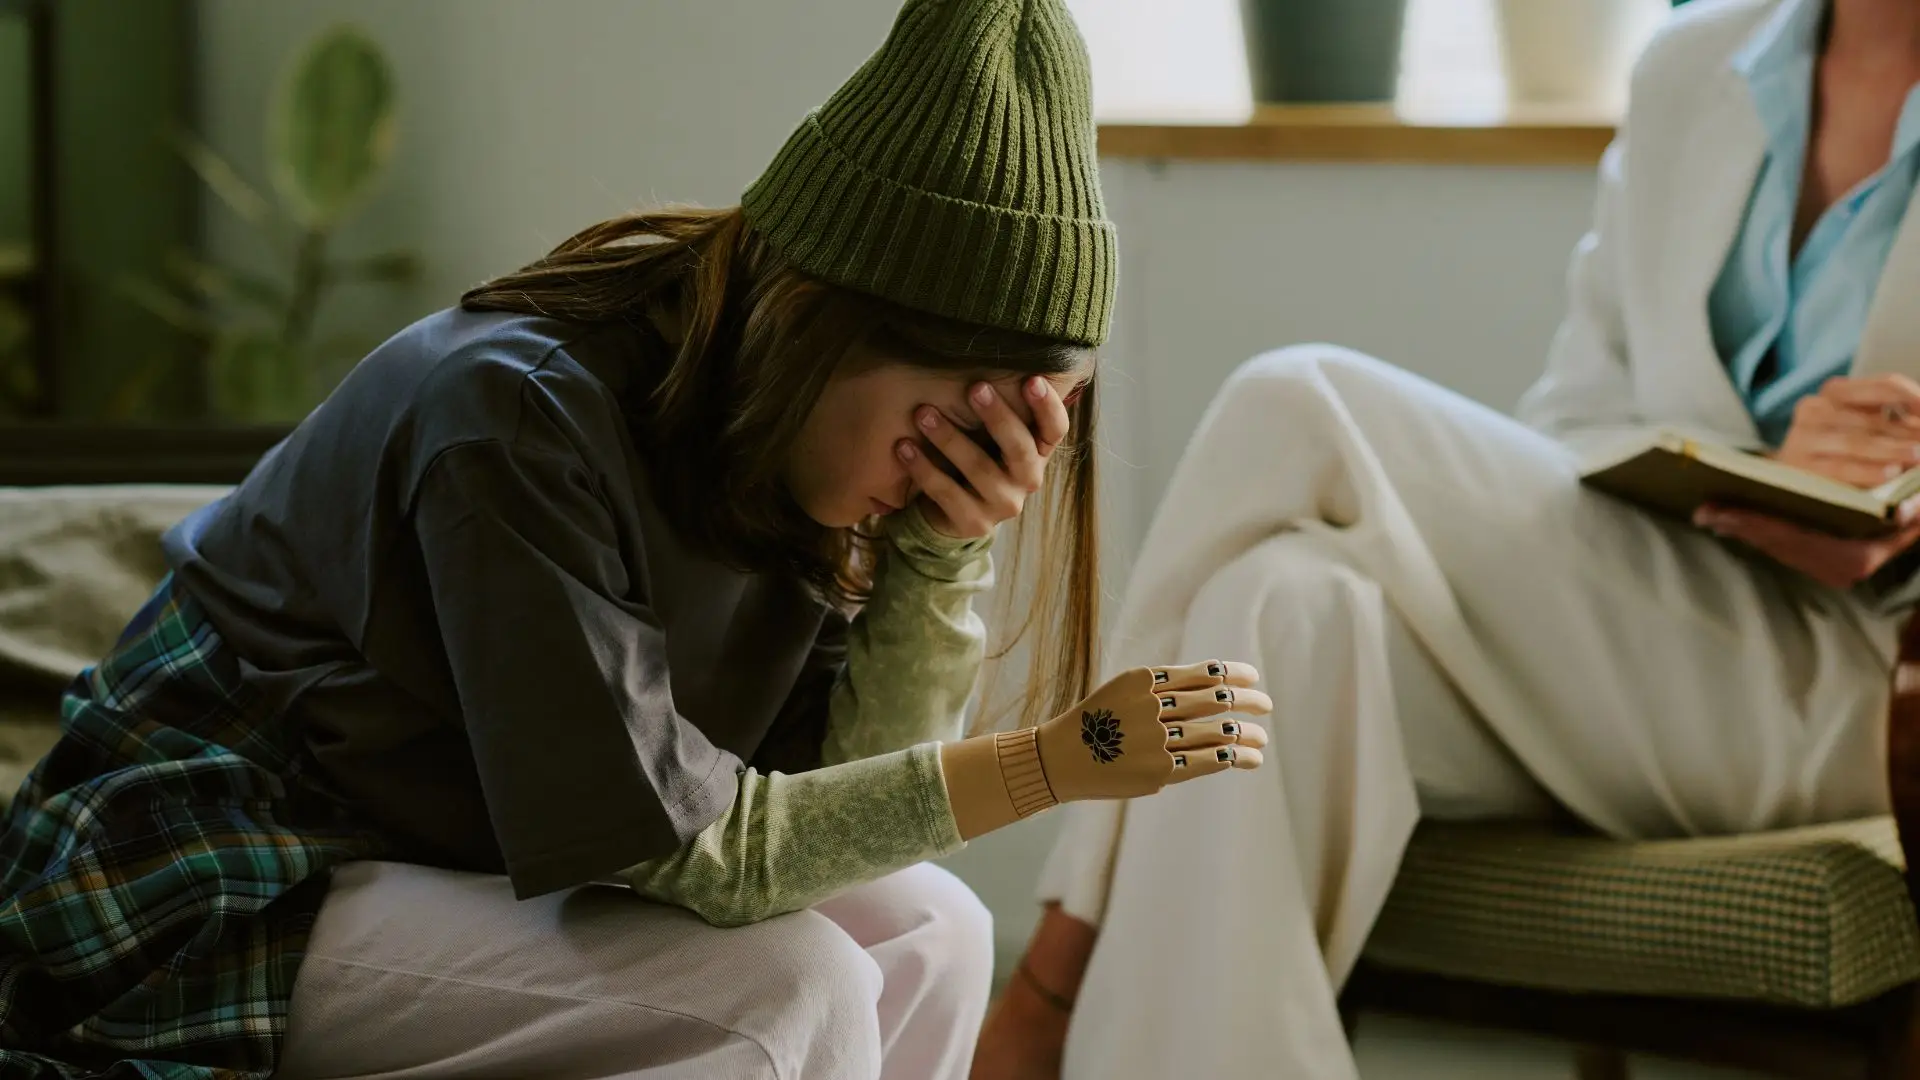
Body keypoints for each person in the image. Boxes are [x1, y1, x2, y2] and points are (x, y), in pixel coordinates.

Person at [0, 2, 1273, 1078]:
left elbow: (839, 816)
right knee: (788, 986)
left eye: (1013, 435)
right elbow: (698, 854)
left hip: (445, 845)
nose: (952, 467)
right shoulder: (516, 418)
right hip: (221, 864)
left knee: (931, 924)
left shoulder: (784, 447)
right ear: (826, 323)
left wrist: (942, 551)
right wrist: (1056, 761)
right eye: (945, 423)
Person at [969, 0, 1920, 1077]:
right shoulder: (1691, 63)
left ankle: (1054, 974)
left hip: (1864, 690)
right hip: (1653, 638)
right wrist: (1751, 478)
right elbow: (1577, 420)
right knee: (1278, 605)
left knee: (1293, 397)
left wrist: (1902, 506)